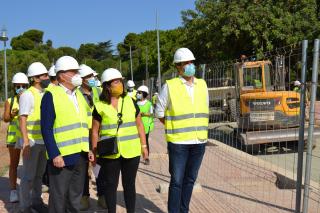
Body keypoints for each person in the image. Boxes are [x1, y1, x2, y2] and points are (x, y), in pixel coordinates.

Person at [155, 47, 209, 213]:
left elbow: (204, 109)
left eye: (191, 62)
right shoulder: (169, 86)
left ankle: (184, 210)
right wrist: (174, 126)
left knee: (190, 179)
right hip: (178, 142)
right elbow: (159, 112)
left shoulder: (202, 84)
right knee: (177, 180)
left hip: (199, 141)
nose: (190, 65)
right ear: (178, 66)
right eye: (185, 63)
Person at [91, 68, 148, 213]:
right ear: (107, 86)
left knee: (129, 184)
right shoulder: (99, 106)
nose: (119, 84)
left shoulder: (130, 101)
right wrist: (94, 151)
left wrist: (144, 146)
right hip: (110, 152)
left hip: (131, 151)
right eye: (115, 82)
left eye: (120, 81)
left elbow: (139, 124)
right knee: (111, 185)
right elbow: (95, 131)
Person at [41, 56, 93, 213]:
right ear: (62, 75)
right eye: (73, 71)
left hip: (81, 156)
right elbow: (46, 129)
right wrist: (54, 154)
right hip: (61, 158)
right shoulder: (51, 95)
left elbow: (85, 124)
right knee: (58, 198)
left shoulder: (79, 95)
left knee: (75, 199)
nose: (77, 75)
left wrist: (89, 148)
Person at [18, 62, 50, 213]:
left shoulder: (45, 93)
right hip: (32, 142)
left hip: (44, 141)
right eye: (44, 75)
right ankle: (25, 207)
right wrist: (25, 141)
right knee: (28, 177)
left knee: (39, 175)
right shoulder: (27, 95)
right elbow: (22, 119)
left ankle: (37, 201)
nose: (47, 77)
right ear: (36, 78)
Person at [78, 64, 106, 210]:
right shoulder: (75, 94)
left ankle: (102, 196)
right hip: (83, 135)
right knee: (83, 167)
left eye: (92, 76)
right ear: (82, 79)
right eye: (89, 77)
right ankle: (84, 197)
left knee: (99, 166)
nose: (92, 79)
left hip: (98, 134)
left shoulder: (99, 91)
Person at [2, 72, 29, 203]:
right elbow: (5, 118)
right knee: (14, 164)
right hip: (13, 137)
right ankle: (13, 191)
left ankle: (29, 190)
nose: (20, 88)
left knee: (29, 164)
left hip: (27, 136)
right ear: (14, 87)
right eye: (17, 86)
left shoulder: (30, 98)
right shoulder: (10, 101)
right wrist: (12, 115)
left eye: (23, 85)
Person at [136, 85, 154, 165]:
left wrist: (143, 114)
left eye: (139, 93)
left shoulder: (149, 104)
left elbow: (152, 113)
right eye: (137, 92)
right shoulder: (135, 103)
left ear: (144, 94)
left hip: (146, 126)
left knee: (145, 142)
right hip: (136, 126)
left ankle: (146, 157)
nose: (137, 94)